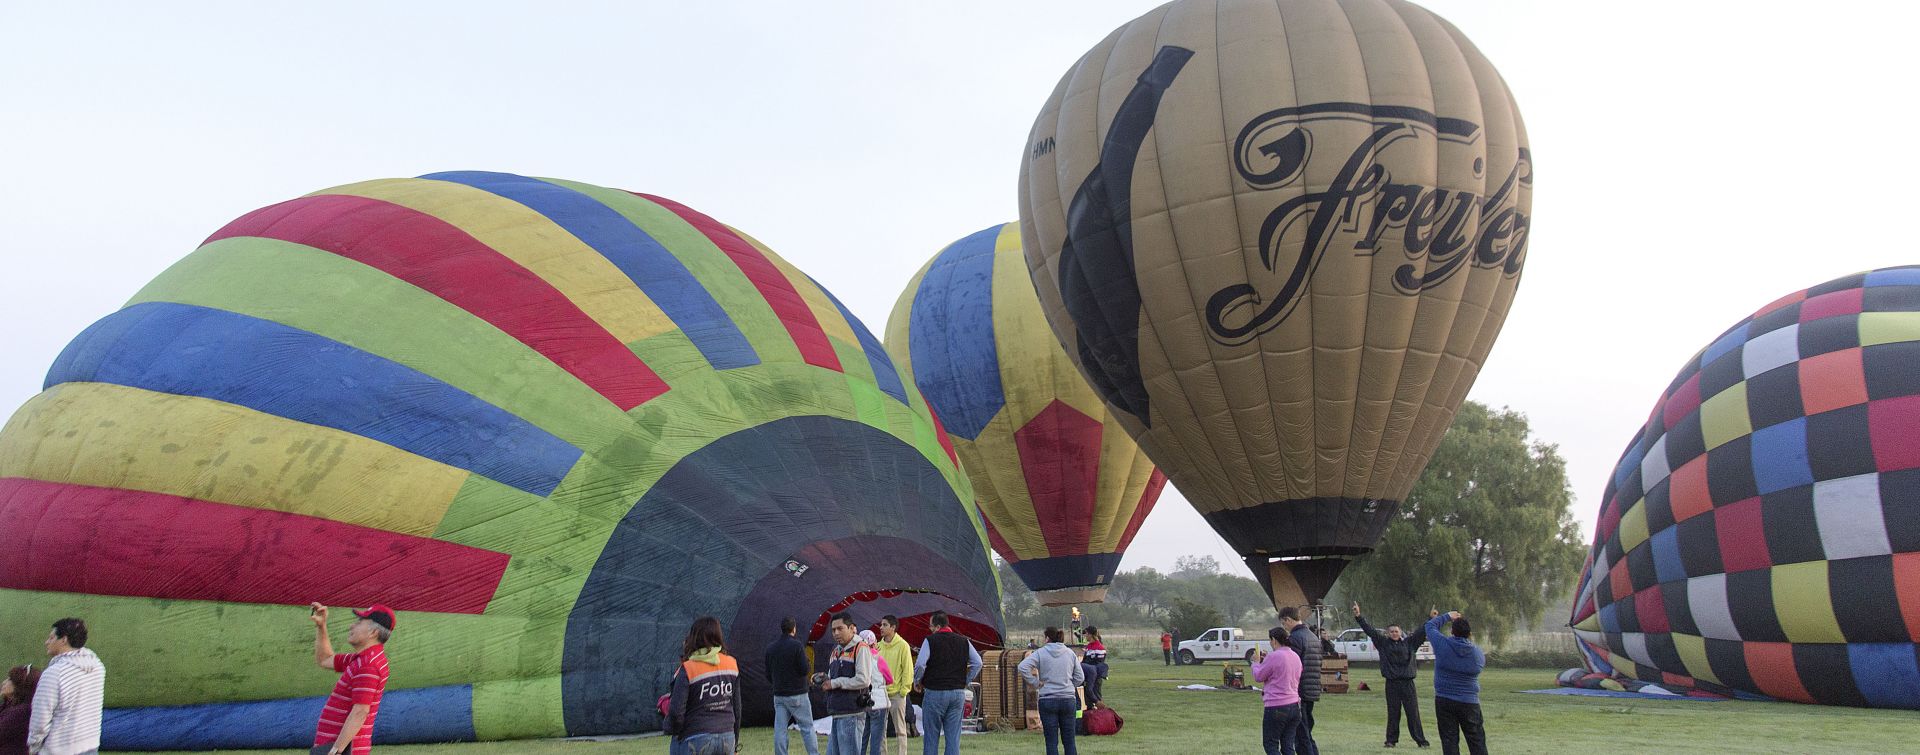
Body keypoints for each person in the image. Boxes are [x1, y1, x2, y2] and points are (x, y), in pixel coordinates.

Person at [307, 605, 392, 755]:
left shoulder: (368, 665)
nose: (352, 625)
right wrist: (321, 626)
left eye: (359, 622)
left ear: (373, 632)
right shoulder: (361, 659)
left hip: (345, 749)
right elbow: (325, 659)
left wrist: (336, 750)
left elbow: (360, 711)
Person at [1353, 602, 1430, 749]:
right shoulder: (1383, 643)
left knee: (1413, 713)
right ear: (1388, 633)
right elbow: (1370, 631)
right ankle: (1391, 740)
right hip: (1392, 683)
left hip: (1408, 684)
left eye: (1396, 631)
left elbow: (1421, 631)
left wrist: (1431, 619)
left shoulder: (1410, 643)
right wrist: (1358, 616)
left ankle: (1421, 740)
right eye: (1391, 631)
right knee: (1393, 712)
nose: (1394, 633)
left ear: (1400, 632)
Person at [667, 616, 742, 755]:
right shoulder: (732, 664)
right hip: (727, 736)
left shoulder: (688, 668)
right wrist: (735, 742)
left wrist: (669, 728)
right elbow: (737, 709)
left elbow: (676, 712)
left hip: (695, 736)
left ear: (694, 638)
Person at [29, 618, 104, 755]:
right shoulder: (97, 667)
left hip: (59, 749)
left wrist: (34, 746)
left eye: (51, 638)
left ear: (63, 640)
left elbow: (40, 718)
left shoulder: (54, 673)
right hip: (90, 746)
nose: (47, 642)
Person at [912, 610, 980, 755]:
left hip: (935, 692)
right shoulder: (964, 641)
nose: (930, 630)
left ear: (937, 627)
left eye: (930, 627)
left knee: (931, 737)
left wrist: (917, 680)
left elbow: (920, 664)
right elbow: (978, 663)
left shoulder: (930, 640)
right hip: (957, 693)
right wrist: (966, 680)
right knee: (953, 738)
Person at [1424, 611, 1487, 755]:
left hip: (1444, 699)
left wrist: (1447, 616)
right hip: (1469, 701)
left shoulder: (1442, 644)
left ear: (1452, 631)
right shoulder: (1477, 653)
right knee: (1476, 740)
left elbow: (1429, 626)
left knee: (1449, 740)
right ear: (1469, 633)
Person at [816, 614, 879, 755]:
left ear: (852, 628)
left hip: (852, 713)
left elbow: (863, 680)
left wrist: (835, 683)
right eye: (833, 630)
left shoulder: (860, 648)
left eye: (840, 628)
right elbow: (832, 678)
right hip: (837, 711)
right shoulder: (835, 650)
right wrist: (823, 679)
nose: (836, 633)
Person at [1017, 627, 1084, 755]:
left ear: (1047, 638)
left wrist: (1035, 683)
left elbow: (1023, 666)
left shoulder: (1041, 652)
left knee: (1051, 741)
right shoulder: (1070, 653)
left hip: (1047, 699)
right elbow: (1080, 677)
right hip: (1068, 699)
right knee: (1069, 741)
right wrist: (1069, 686)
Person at [766, 618, 818, 755]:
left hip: (779, 695)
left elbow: (767, 673)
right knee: (807, 727)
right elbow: (804, 670)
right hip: (798, 694)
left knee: (780, 729)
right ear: (793, 629)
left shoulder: (771, 648)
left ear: (781, 628)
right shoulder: (797, 646)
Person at [1250, 627, 1301, 755]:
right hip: (1294, 705)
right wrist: (1267, 659)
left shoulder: (1274, 656)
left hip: (1276, 706)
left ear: (1274, 640)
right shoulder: (1295, 656)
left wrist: (1255, 663)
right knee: (1288, 746)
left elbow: (1259, 676)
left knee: (1270, 744)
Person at [1279, 607, 1322, 755]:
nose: (1284, 628)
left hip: (1299, 690)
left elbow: (1291, 665)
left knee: (1301, 734)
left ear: (1288, 620)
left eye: (1284, 624)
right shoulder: (1313, 636)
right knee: (1306, 731)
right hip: (1312, 688)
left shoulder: (1295, 638)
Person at [874, 616, 915, 755]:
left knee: (900, 729)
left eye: (884, 625)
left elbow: (908, 669)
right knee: (881, 730)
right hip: (881, 693)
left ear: (893, 627)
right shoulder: (878, 646)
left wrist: (904, 690)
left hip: (897, 694)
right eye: (881, 624)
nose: (881, 627)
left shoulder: (903, 645)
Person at [857, 630, 892, 755]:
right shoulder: (878, 658)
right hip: (879, 700)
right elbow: (889, 679)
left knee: (862, 737)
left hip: (862, 700)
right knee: (876, 739)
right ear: (873, 642)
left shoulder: (858, 658)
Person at [0, 664, 41, 755]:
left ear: (21, 686)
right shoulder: (9, 705)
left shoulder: (22, 712)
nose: (4, 682)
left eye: (10, 680)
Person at [1080, 627, 1108, 708]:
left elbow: (1099, 664)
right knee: (1088, 700)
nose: (1085, 636)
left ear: (1090, 634)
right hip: (1087, 676)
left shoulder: (1100, 648)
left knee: (1097, 698)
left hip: (1095, 678)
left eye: (1086, 634)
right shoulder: (1088, 647)